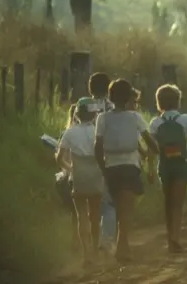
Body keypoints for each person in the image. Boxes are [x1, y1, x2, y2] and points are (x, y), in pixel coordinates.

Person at [94, 79, 159, 263]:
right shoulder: (134, 117)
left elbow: (97, 147)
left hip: (111, 167)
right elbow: (149, 140)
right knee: (126, 209)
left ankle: (117, 245)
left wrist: (103, 169)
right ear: (129, 96)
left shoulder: (103, 118)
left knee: (116, 207)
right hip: (130, 166)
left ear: (110, 97)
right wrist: (157, 152)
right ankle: (122, 246)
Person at [148, 84, 187, 253]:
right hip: (181, 164)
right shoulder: (185, 119)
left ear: (159, 103)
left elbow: (151, 149)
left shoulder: (155, 122)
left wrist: (150, 169)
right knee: (178, 204)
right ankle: (175, 239)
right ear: (178, 101)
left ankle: (169, 236)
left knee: (168, 202)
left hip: (164, 165)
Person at [56, 98, 103, 266]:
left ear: (76, 114)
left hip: (79, 177)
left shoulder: (70, 133)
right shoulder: (98, 131)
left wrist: (70, 169)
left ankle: (86, 255)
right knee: (95, 215)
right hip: (96, 176)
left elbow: (59, 158)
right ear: (93, 114)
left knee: (81, 215)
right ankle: (96, 250)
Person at [88, 72, 116, 254]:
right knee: (109, 203)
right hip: (108, 156)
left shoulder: (82, 106)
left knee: (89, 203)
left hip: (84, 156)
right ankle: (105, 240)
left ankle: (87, 241)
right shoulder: (113, 107)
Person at [56, 104, 79, 252]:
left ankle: (75, 241)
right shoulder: (89, 132)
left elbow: (60, 158)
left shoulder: (66, 133)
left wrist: (69, 169)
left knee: (76, 212)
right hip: (77, 176)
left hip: (68, 176)